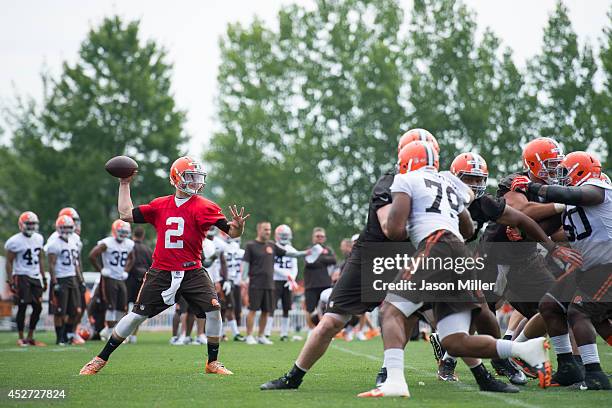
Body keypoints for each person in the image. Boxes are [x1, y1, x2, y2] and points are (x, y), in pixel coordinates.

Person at [358, 141, 551, 398]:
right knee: (454, 340)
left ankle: (393, 379)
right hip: (459, 252)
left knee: (391, 310)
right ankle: (523, 350)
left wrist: (416, 225)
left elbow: (393, 231)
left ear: (404, 164)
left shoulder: (406, 180)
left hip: (435, 244)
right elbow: (469, 230)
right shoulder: (448, 181)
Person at [79, 156, 249, 376]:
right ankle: (100, 358)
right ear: (176, 178)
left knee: (214, 311)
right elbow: (125, 214)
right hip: (161, 271)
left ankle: (212, 362)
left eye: (198, 178)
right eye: (190, 177)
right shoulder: (160, 204)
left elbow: (231, 232)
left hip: (192, 270)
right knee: (136, 316)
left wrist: (239, 228)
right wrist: (124, 184)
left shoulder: (206, 206)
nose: (196, 182)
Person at [512, 151, 612, 390]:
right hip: (588, 268)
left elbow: (578, 194)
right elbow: (544, 226)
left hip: (607, 265)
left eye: (566, 173)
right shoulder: (570, 202)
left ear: (581, 171)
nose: (562, 179)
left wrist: (535, 188)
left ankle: (594, 373)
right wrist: (520, 230)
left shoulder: (598, 187)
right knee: (549, 305)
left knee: (580, 312)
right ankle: (568, 367)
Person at [242, 221, 305, 345]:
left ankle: (261, 336)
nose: (268, 232)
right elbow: (245, 263)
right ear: (259, 230)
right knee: (253, 310)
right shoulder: (251, 245)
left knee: (266, 311)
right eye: (265, 229)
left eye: (269, 230)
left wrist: (304, 253)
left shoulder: (271, 245)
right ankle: (249, 335)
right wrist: (243, 279)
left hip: (270, 284)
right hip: (256, 283)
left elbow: (288, 253)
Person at [4, 211, 46, 346]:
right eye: (28, 223)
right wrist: (10, 280)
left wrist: (43, 276)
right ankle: (21, 337)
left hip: (35, 276)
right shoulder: (14, 241)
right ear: (21, 225)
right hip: (21, 275)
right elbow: (9, 262)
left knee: (38, 307)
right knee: (22, 306)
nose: (31, 226)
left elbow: (40, 258)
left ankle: (30, 336)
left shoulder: (38, 238)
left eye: (33, 223)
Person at [88, 220, 135, 337]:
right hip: (109, 278)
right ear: (115, 230)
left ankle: (116, 330)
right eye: (121, 231)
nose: (123, 234)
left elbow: (132, 258)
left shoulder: (128, 244)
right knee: (111, 306)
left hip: (120, 278)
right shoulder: (107, 243)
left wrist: (126, 271)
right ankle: (109, 330)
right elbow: (92, 255)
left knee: (121, 306)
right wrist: (101, 270)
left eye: (125, 232)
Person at [47, 215, 82, 345]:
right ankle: (59, 337)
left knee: (74, 311)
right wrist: (55, 282)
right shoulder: (54, 243)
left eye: (69, 227)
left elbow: (76, 263)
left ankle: (67, 334)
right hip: (61, 279)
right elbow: (51, 264)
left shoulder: (74, 241)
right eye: (64, 227)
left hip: (72, 277)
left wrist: (81, 280)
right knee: (60, 311)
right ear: (58, 228)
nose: (67, 230)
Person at [264, 224, 299, 341]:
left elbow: (295, 267)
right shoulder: (273, 248)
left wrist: (292, 278)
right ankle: (267, 332)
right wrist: (286, 274)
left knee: (287, 307)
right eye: (282, 235)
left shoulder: (292, 250)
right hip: (275, 280)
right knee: (271, 307)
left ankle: (284, 333)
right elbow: (272, 266)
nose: (284, 237)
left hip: (287, 282)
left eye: (286, 235)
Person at [303, 227, 336, 329]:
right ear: (313, 238)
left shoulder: (328, 249)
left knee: (326, 308)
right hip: (311, 284)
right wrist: (323, 260)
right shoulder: (308, 249)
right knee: (309, 309)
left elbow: (333, 260)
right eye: (317, 236)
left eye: (322, 236)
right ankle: (311, 330)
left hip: (325, 284)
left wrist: (317, 258)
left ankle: (325, 329)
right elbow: (309, 263)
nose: (320, 238)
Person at [125, 226, 152, 343]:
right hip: (142, 282)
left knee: (124, 308)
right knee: (138, 310)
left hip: (129, 280)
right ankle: (134, 335)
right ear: (143, 235)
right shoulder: (148, 250)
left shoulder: (128, 246)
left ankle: (123, 333)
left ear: (133, 234)